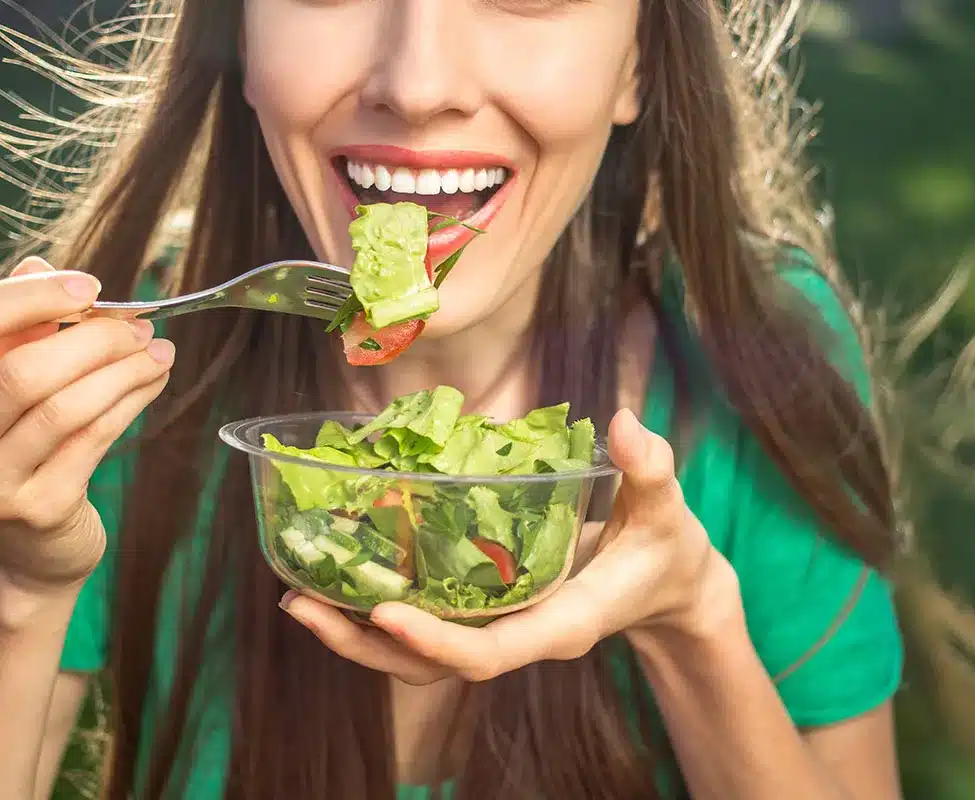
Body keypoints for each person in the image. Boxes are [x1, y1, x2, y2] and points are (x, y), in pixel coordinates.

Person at [0, 1, 905, 797]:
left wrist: (692, 622)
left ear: (638, 58)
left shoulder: (751, 356)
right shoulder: (117, 375)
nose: (420, 82)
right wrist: (20, 585)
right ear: (238, 28)